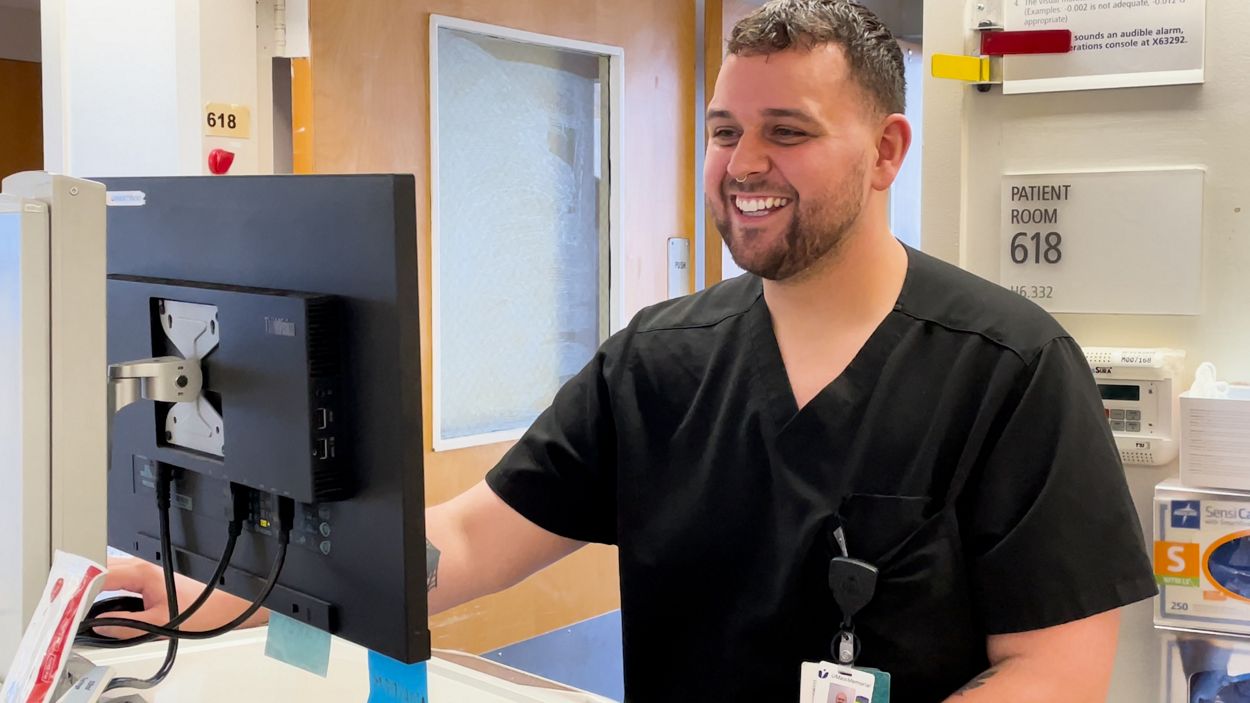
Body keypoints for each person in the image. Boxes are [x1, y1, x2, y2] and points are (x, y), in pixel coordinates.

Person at [98, 0, 1157, 699]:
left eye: (786, 131)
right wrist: (232, 586)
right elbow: (466, 541)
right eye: (723, 130)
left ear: (886, 151)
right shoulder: (657, 363)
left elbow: (1056, 669)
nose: (743, 162)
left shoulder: (1007, 369)